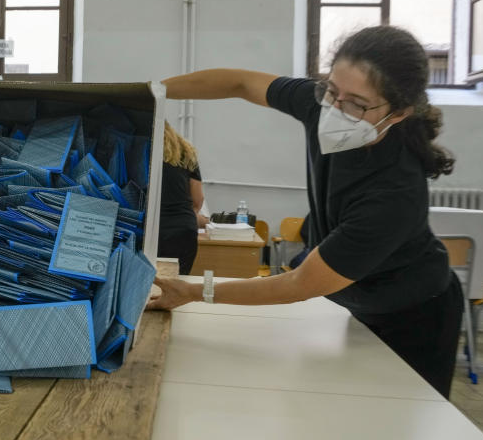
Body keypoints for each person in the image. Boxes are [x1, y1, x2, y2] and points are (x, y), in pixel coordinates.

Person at [149, 25, 462, 398]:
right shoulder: (322, 106)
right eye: (332, 90)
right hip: (357, 299)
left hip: (413, 316)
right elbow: (238, 83)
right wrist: (151, 93)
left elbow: (301, 284)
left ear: (398, 113)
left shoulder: (393, 194)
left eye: (357, 104)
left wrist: (196, 290)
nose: (336, 109)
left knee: (394, 418)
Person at [158, 121, 205, 275]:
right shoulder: (186, 152)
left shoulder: (142, 149)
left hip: (152, 230)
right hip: (184, 230)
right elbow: (198, 200)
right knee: (178, 287)